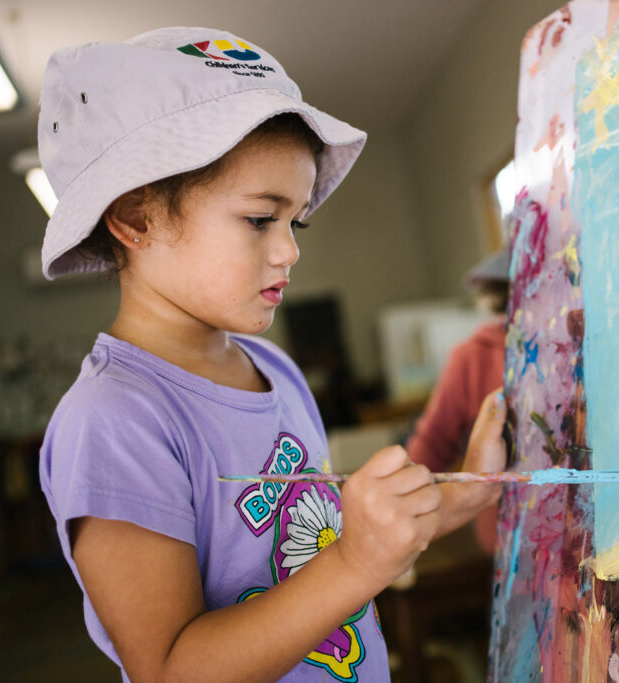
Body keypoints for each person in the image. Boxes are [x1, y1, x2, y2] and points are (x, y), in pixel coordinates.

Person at [36, 27, 505, 683]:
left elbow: (308, 548)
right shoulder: (112, 421)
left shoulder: (274, 369)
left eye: (296, 221)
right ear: (136, 217)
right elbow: (170, 668)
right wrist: (357, 564)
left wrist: (460, 495)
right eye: (261, 218)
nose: (290, 251)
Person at [406, 246, 509, 554]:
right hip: (510, 546)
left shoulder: (590, 349)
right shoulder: (473, 358)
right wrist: (407, 525)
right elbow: (431, 448)